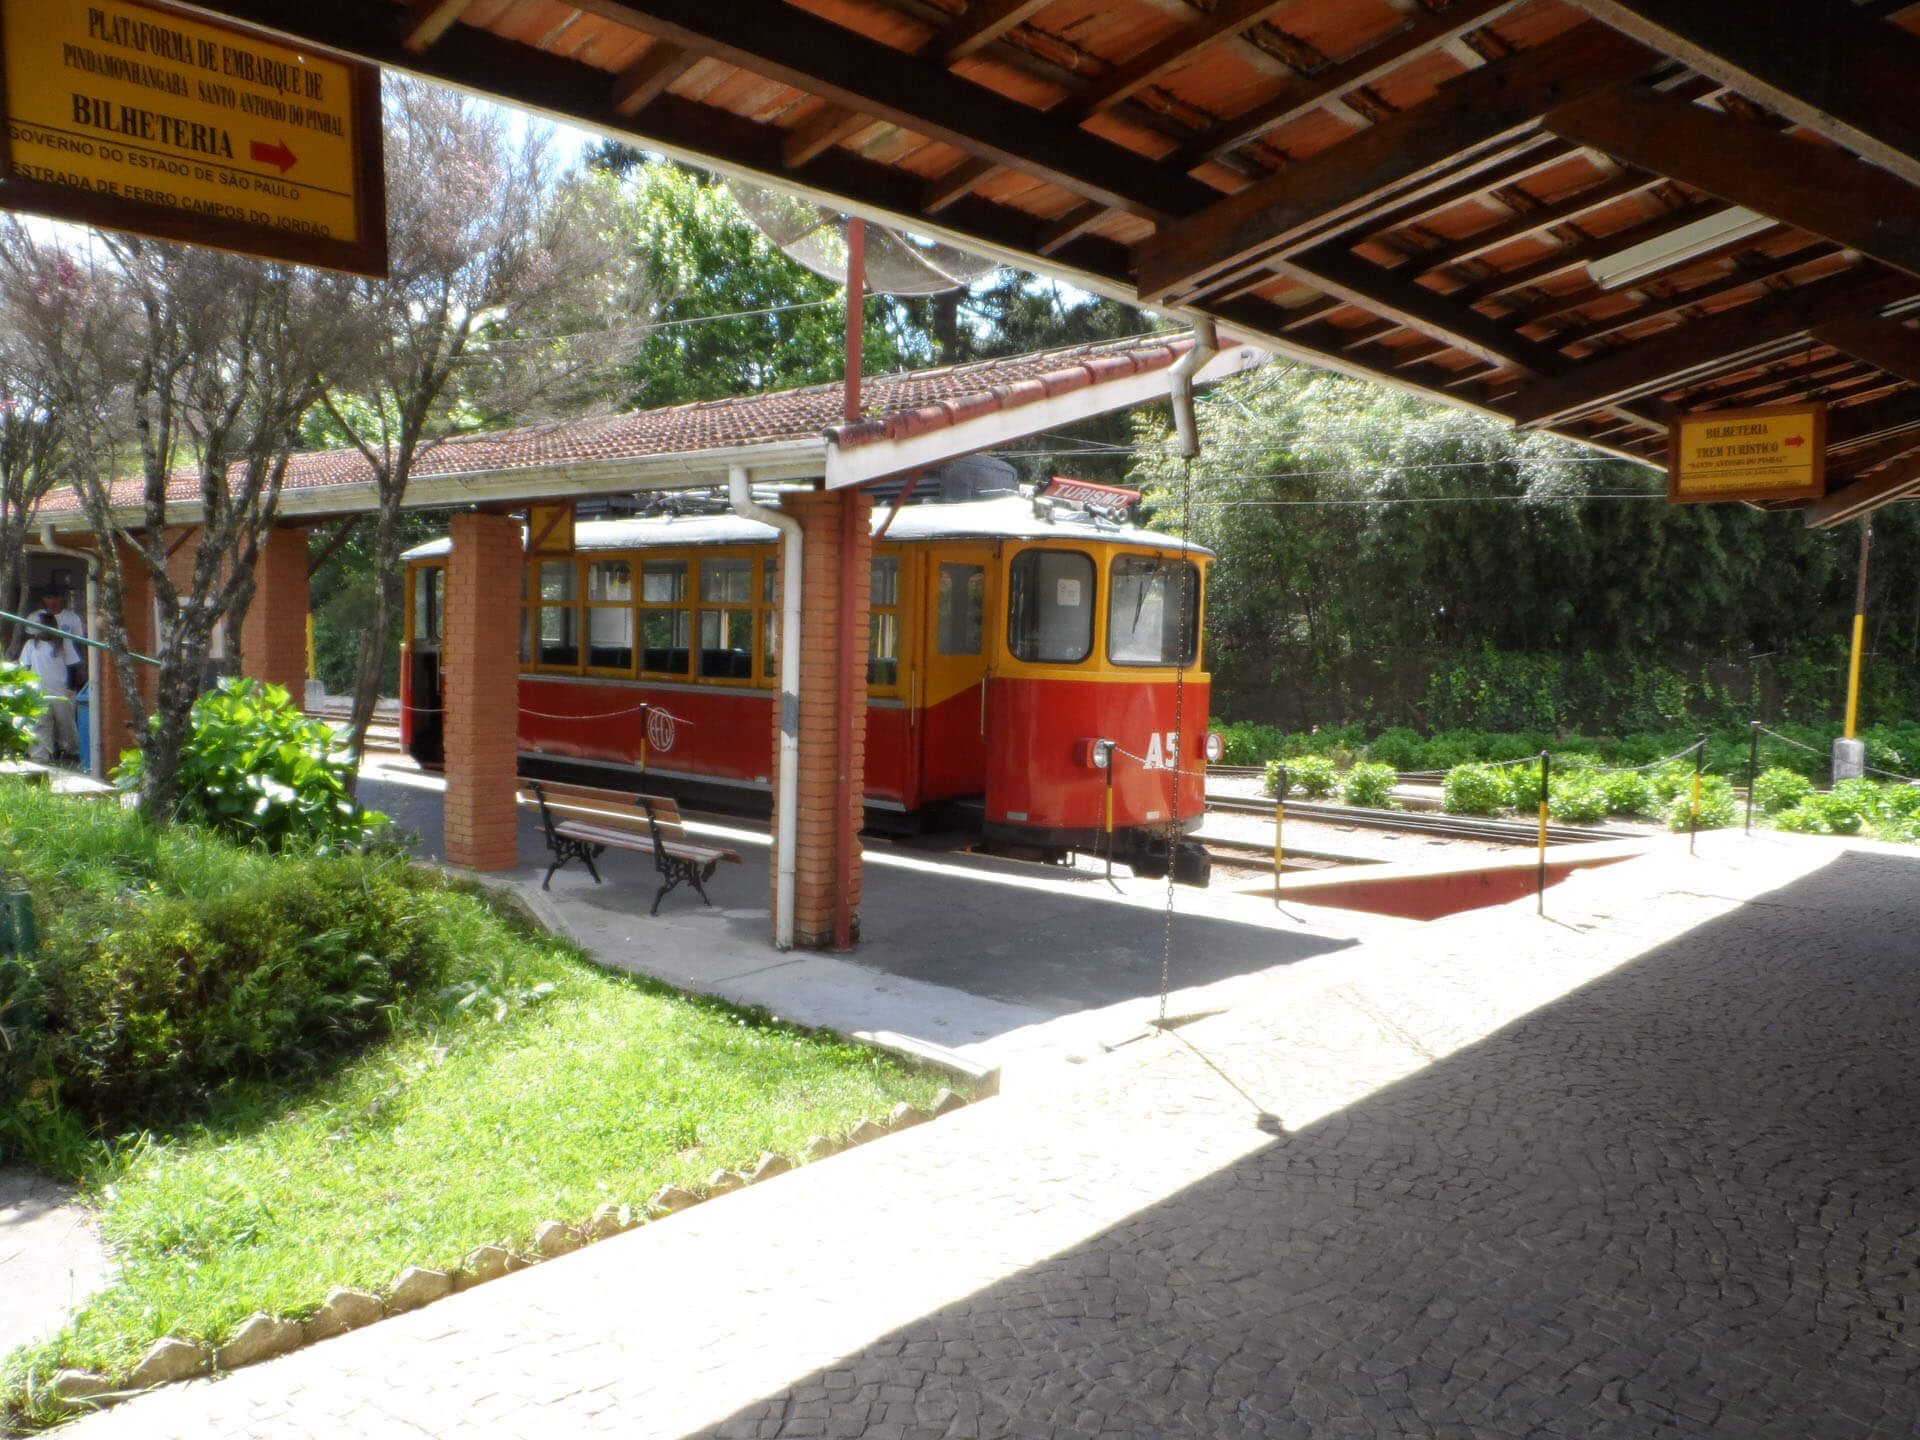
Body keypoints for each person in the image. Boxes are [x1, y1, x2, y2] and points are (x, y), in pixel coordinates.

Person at [22, 586, 82, 764]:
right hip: (38, 692)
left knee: (66, 725)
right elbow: (25, 668)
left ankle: (72, 752)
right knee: (40, 725)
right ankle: (40, 756)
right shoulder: (31, 645)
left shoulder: (64, 644)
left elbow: (72, 666)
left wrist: (71, 689)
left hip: (60, 692)